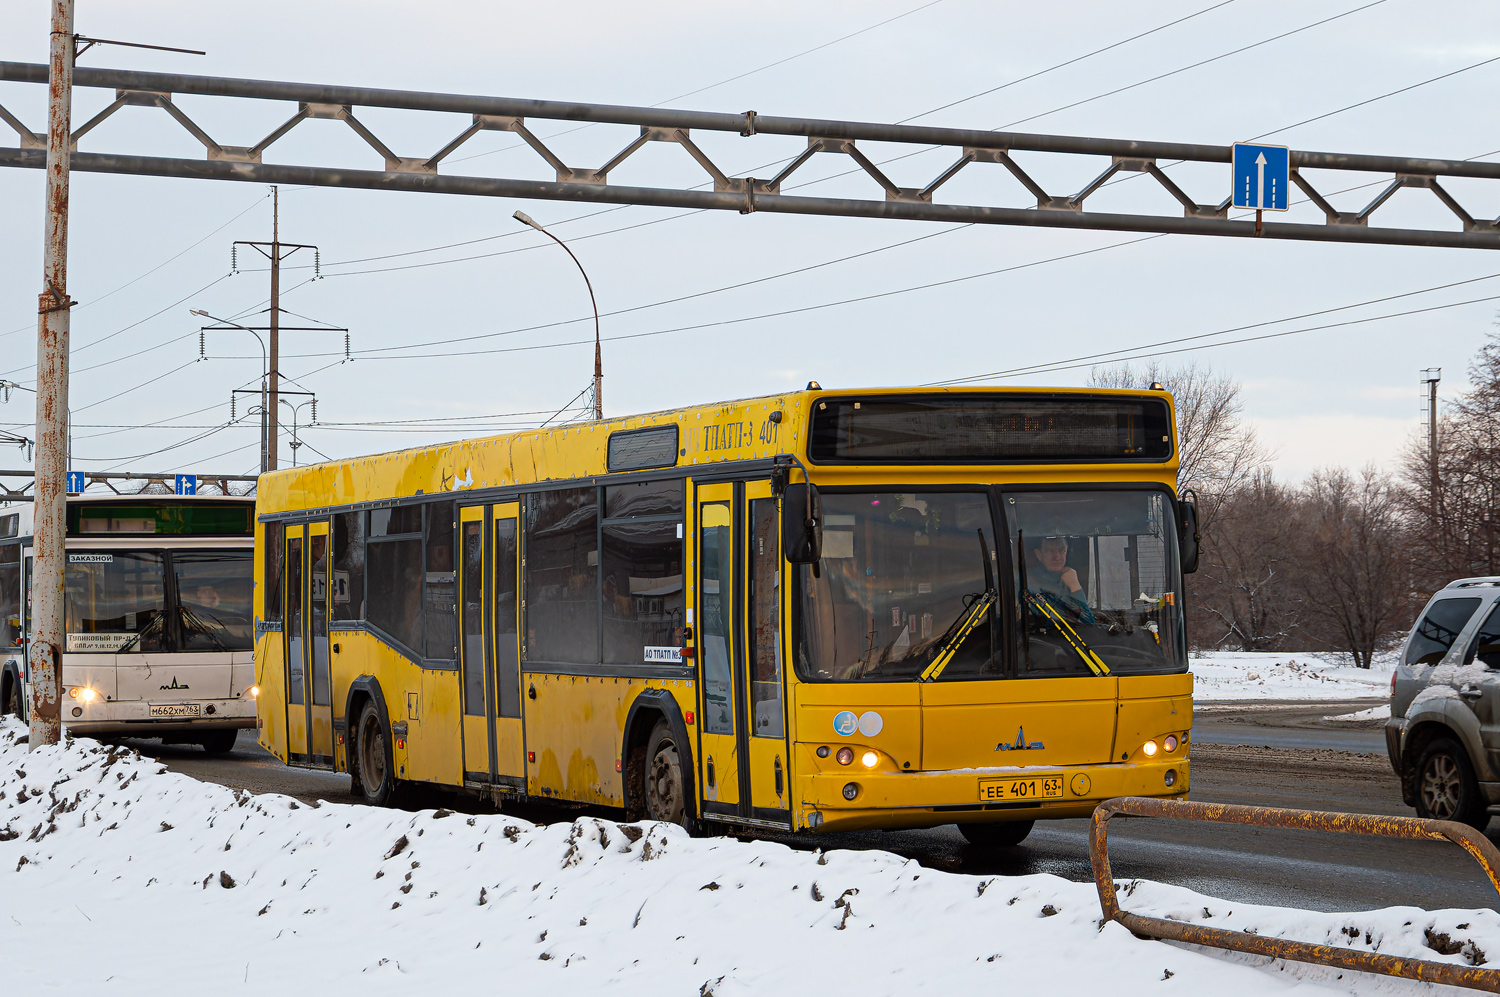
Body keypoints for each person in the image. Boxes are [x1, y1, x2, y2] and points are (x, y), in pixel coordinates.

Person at [1029, 536, 1095, 624]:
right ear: (1039, 554)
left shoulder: (1070, 579)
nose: (1057, 556)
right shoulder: (1027, 581)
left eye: (1061, 550)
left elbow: (1088, 625)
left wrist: (1075, 587)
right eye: (1050, 551)